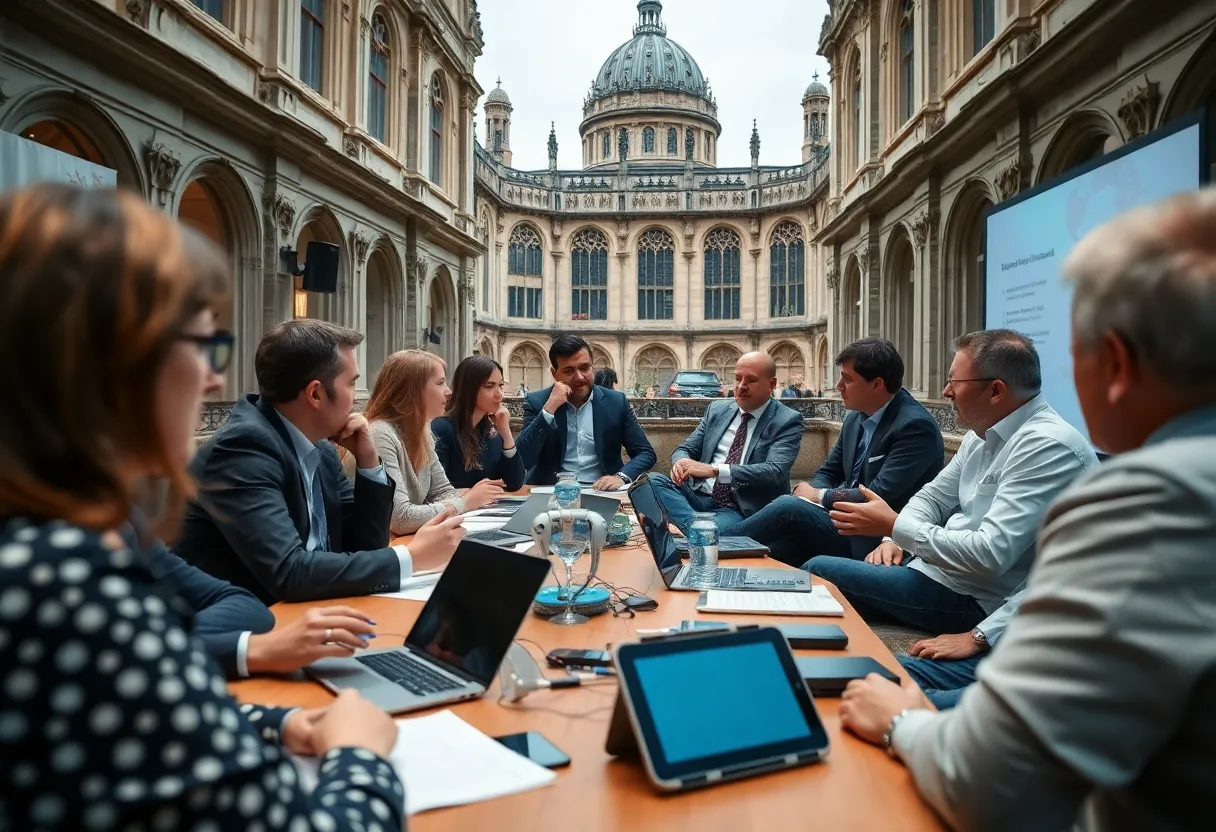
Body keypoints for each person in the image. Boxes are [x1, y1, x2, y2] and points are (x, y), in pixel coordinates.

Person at [0, 184, 405, 830]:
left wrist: (279, 723)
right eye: (203, 347)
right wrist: (360, 752)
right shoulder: (65, 584)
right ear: (120, 365)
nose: (216, 379)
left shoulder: (72, 536)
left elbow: (142, 708)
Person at [840, 187, 1216, 831]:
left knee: (863, 687)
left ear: (1117, 364)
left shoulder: (1155, 500)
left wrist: (900, 722)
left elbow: (991, 782)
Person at [805, 330, 1097, 635]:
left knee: (817, 571)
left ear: (996, 391)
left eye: (954, 383)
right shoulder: (982, 433)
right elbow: (931, 497)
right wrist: (894, 539)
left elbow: (988, 555)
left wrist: (894, 528)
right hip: (933, 570)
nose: (946, 391)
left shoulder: (1046, 446)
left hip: (972, 601)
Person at [176, 320, 465, 604]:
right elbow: (289, 573)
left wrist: (368, 462)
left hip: (313, 611)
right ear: (315, 393)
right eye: (351, 384)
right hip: (251, 630)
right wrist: (411, 557)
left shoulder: (322, 446)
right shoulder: (243, 448)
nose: (356, 399)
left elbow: (364, 544)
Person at [729, 339, 944, 566]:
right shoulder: (855, 417)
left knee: (788, 507)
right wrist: (813, 495)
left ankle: (707, 547)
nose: (839, 385)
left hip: (876, 539)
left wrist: (817, 496)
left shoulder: (915, 427)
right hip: (839, 522)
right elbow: (829, 471)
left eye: (848, 379)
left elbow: (876, 493)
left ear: (877, 384)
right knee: (775, 551)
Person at [650, 352, 804, 535]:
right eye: (738, 378)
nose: (741, 386)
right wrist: (680, 462)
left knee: (705, 529)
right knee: (652, 481)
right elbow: (685, 449)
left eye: (751, 380)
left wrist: (714, 470)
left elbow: (774, 471)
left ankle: (692, 527)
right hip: (699, 495)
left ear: (771, 384)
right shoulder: (717, 410)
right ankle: (698, 528)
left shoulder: (787, 420)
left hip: (738, 507)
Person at [368, 350, 509, 535]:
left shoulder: (423, 430)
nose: (449, 391)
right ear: (413, 390)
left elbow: (444, 491)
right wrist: (465, 502)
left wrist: (457, 503)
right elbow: (400, 518)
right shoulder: (381, 433)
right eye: (440, 383)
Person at [517, 333, 657, 488]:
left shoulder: (616, 402)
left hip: (602, 492)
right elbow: (521, 460)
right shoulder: (537, 402)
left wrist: (620, 477)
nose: (579, 377)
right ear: (554, 374)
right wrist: (549, 409)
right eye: (569, 371)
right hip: (551, 492)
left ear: (592, 366)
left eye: (585, 368)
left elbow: (646, 453)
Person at [897, 586, 1025, 710]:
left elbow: (987, 566)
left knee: (903, 700)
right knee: (892, 671)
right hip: (1010, 647)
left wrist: (978, 637)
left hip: (975, 597)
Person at [432, 355, 525, 491]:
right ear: (469, 389)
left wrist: (506, 433)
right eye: (489, 386)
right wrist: (472, 493)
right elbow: (434, 492)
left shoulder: (491, 430)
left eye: (500, 385)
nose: (499, 394)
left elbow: (515, 483)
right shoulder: (442, 428)